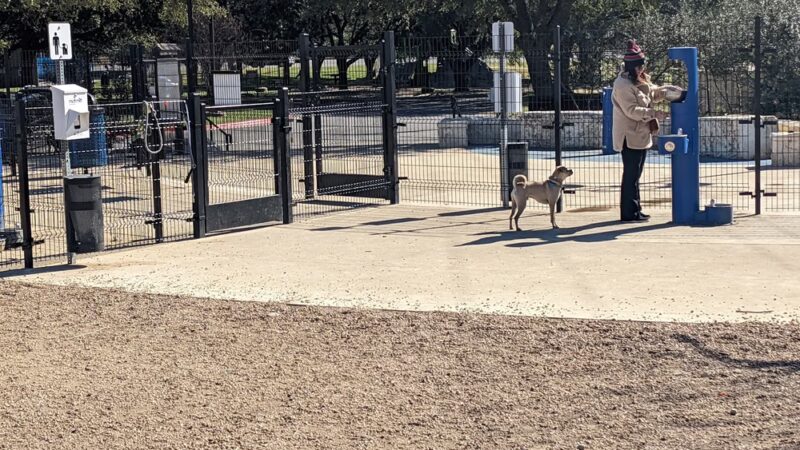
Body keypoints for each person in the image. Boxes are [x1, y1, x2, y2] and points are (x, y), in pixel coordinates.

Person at [612, 39, 678, 222]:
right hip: (630, 135)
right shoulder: (622, 85)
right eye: (639, 67)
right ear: (631, 67)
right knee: (631, 175)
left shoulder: (640, 79)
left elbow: (652, 93)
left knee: (636, 175)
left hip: (640, 134)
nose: (642, 70)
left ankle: (636, 209)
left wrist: (666, 91)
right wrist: (654, 113)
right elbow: (632, 111)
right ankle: (628, 213)